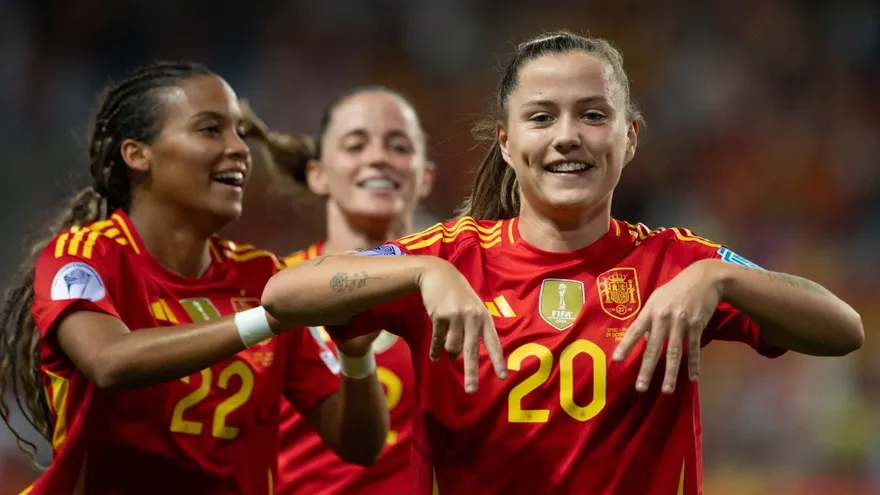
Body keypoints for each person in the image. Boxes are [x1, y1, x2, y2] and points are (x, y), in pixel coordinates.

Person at [260, 31, 865, 495]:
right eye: (542, 116)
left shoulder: (674, 262)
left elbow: (842, 329)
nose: (567, 136)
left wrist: (721, 275)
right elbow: (284, 295)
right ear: (506, 140)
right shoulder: (452, 255)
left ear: (629, 138)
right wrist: (423, 273)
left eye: (593, 115)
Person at [0, 61, 389, 495]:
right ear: (137, 154)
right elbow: (109, 362)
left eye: (240, 132)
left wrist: (357, 357)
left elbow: (361, 446)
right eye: (210, 130)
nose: (240, 148)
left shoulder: (262, 276)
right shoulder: (86, 256)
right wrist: (271, 318)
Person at [242, 86, 434, 495]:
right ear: (318, 174)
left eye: (399, 146)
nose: (378, 157)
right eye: (355, 144)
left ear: (426, 177)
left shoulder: (458, 288)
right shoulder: (277, 292)